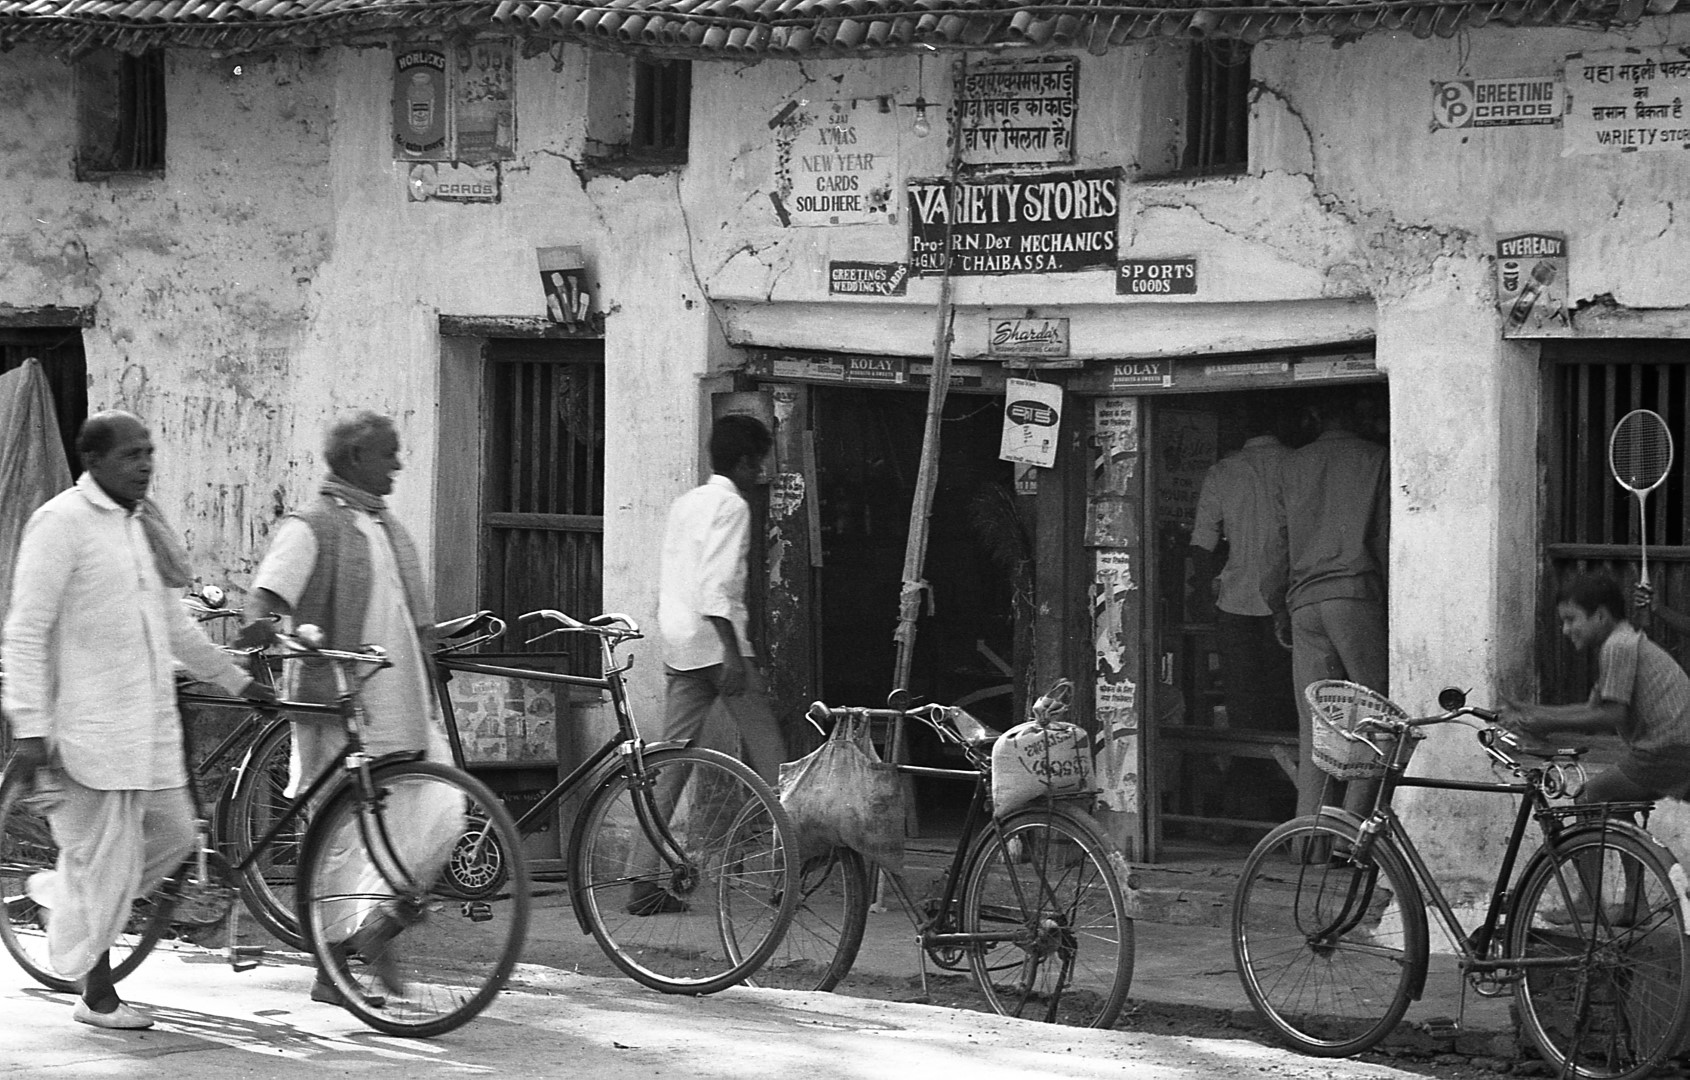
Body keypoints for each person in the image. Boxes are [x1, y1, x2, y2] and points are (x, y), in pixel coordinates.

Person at [2, 410, 272, 1030]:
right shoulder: (60, 524)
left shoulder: (139, 525)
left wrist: (237, 681)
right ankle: (96, 998)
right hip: (85, 731)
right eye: (131, 454)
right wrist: (30, 726)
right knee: (104, 864)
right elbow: (22, 633)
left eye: (149, 451)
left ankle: (62, 900)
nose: (146, 464)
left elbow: (176, 628)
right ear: (93, 462)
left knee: (176, 837)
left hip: (150, 730)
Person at [234, 411, 460, 1006]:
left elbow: (406, 616)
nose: (399, 465)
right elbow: (264, 600)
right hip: (337, 709)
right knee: (335, 840)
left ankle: (377, 929)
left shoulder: (384, 526)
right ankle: (330, 969)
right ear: (357, 457)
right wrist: (265, 637)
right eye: (390, 454)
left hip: (405, 707)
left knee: (444, 815)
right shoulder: (311, 526)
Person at [641, 413, 787, 916]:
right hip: (715, 642)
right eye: (760, 462)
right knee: (772, 755)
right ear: (745, 462)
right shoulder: (732, 505)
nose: (761, 472)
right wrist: (733, 653)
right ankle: (795, 863)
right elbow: (716, 585)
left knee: (670, 765)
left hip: (679, 642)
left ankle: (642, 882)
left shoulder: (687, 503)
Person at [1265, 390, 1390, 820]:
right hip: (1354, 598)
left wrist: (1278, 606)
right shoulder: (1376, 459)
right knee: (1374, 720)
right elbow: (1383, 539)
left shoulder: (1292, 465)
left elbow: (1277, 545)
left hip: (1304, 603)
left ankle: (1308, 839)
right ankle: (1350, 832)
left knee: (1314, 724)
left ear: (1315, 416)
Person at [1503, 572, 1690, 807]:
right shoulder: (1624, 640)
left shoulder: (1617, 646)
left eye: (1571, 619)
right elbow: (1593, 708)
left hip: (1666, 750)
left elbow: (1611, 715)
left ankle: (1613, 844)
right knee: (1609, 810)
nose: (1565, 630)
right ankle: (1622, 843)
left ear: (1600, 615)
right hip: (1677, 747)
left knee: (1588, 799)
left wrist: (1544, 722)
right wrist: (1533, 711)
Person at [1188, 404, 1296, 733]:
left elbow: (1202, 544)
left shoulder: (1223, 471)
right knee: (1285, 692)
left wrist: (1203, 596)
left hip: (1235, 601)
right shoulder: (1298, 464)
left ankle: (1246, 769)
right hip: (1289, 599)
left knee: (1241, 692)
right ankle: (1282, 771)